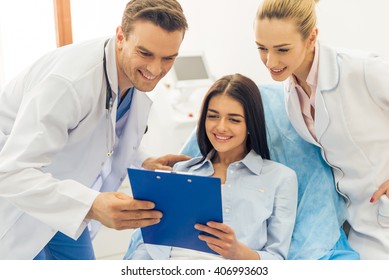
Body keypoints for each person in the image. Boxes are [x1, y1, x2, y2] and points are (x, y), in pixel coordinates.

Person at [0, 0, 190, 260]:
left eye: (168, 58)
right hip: (20, 199)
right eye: (145, 54)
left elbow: (108, 129)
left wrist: (143, 160)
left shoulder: (127, 72)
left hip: (63, 194)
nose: (156, 70)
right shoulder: (69, 83)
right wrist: (91, 204)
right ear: (121, 36)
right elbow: (11, 171)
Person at [254, 0, 389, 259]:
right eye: (262, 48)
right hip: (352, 223)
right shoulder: (290, 90)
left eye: (282, 49)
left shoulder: (361, 70)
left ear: (312, 36)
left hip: (380, 219)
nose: (270, 61)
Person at [125, 73, 298, 260]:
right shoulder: (181, 171)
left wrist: (240, 253)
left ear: (250, 124)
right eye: (213, 116)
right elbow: (150, 244)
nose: (221, 127)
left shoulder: (280, 178)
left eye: (234, 119)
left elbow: (278, 259)